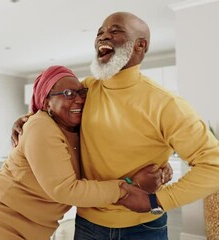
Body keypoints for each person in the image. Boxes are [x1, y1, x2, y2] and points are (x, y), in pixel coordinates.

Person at [12, 12, 219, 240]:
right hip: (88, 224)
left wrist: (158, 200)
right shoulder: (87, 90)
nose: (103, 37)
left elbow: (213, 165)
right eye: (100, 33)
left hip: (143, 228)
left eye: (115, 31)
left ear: (141, 45)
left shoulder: (166, 104)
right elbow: (55, 100)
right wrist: (29, 118)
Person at [0, 65, 168, 240]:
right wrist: (127, 187)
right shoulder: (40, 126)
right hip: (4, 220)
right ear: (46, 102)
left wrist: (159, 164)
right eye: (67, 93)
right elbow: (65, 189)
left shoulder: (80, 128)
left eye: (81, 92)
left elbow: (111, 152)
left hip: (37, 225)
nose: (79, 99)